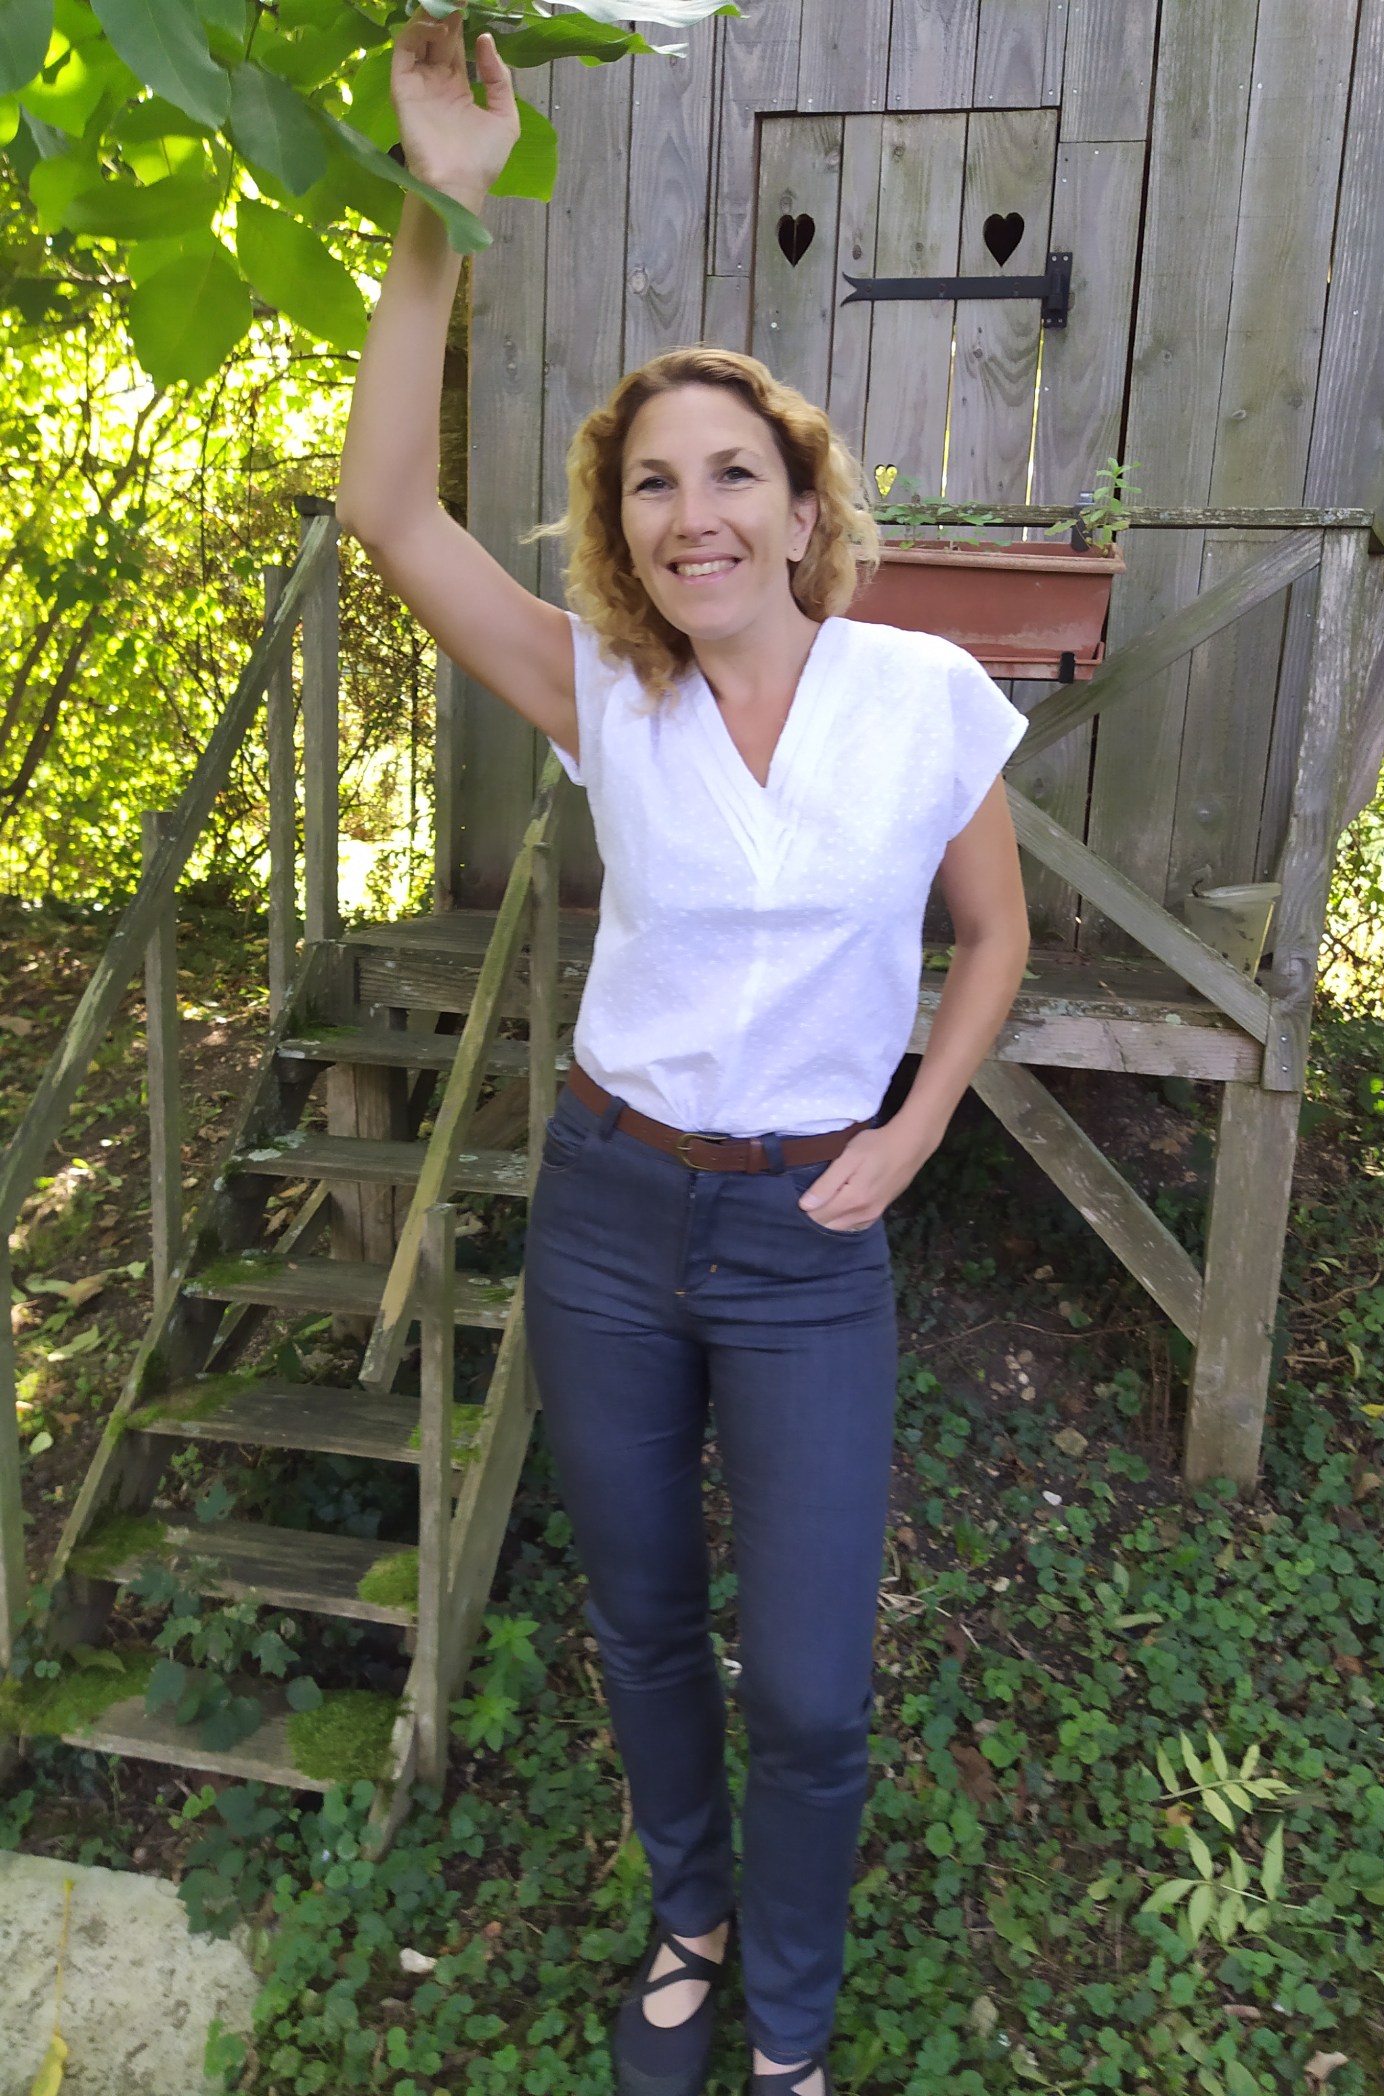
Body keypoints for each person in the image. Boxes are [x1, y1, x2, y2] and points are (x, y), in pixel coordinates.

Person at [336, 14, 1031, 2093]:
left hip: (811, 1236)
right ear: (620, 527)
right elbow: (387, 507)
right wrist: (439, 206)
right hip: (613, 1214)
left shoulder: (923, 696)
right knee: (643, 1621)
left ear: (803, 505)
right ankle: (691, 1920)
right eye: (652, 483)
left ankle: (789, 2018)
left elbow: (995, 937)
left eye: (734, 472)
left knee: (808, 1687)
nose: (692, 510)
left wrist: (918, 1128)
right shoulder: (603, 696)